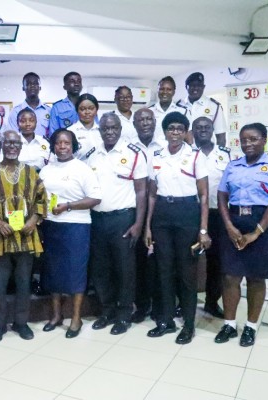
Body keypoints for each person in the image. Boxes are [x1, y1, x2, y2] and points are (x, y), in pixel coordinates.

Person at [215, 123, 268, 347]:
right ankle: (229, 325)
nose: (248, 144)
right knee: (230, 276)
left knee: (256, 278)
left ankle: (250, 326)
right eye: (244, 140)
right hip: (234, 222)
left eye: (253, 139)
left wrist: (256, 232)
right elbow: (221, 195)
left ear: (264, 139)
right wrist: (228, 226)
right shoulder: (233, 166)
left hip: (264, 224)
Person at [144, 111, 211, 345]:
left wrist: (203, 229)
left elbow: (204, 195)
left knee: (186, 272)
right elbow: (152, 195)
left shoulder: (195, 156)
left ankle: (189, 325)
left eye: (180, 129)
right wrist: (148, 227)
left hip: (187, 214)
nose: (175, 132)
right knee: (163, 270)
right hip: (162, 214)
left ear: (185, 132)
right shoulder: (156, 156)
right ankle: (166, 320)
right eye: (171, 128)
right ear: (164, 131)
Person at [0, 130, 48, 343]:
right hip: (0, 238)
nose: (12, 146)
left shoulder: (31, 173)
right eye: (8, 142)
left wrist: (33, 220)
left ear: (21, 146)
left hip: (26, 237)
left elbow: (42, 199)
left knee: (24, 283)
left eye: (16, 143)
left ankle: (21, 322)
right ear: (1, 144)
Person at [85, 113, 147, 335]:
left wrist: (138, 223)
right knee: (101, 269)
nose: (110, 132)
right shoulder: (92, 155)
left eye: (114, 128)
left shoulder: (134, 154)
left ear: (120, 129)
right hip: (97, 219)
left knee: (124, 269)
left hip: (123, 219)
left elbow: (142, 191)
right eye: (105, 129)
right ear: (100, 131)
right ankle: (107, 311)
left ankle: (124, 314)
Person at [40, 129, 102, 337]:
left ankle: (76, 318)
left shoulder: (82, 169)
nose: (62, 147)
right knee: (53, 272)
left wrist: (68, 206)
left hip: (76, 226)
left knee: (76, 272)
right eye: (58, 143)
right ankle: (56, 315)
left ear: (73, 146)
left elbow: (95, 198)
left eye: (66, 143)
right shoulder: (46, 170)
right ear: (53, 146)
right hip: (51, 225)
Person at [193, 116, 230, 319]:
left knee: (216, 261)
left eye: (207, 127)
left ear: (212, 130)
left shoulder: (225, 154)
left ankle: (211, 302)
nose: (203, 130)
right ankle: (185, 301)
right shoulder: (186, 153)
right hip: (191, 213)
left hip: (217, 214)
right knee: (187, 260)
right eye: (198, 127)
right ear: (192, 131)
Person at [131, 107, 166, 323]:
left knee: (161, 260)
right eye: (140, 120)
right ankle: (141, 306)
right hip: (136, 211)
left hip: (160, 209)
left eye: (148, 119)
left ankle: (160, 305)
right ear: (134, 124)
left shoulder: (164, 146)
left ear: (154, 122)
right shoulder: (128, 148)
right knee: (138, 262)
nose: (145, 123)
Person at [177, 72, 227, 146]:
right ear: (186, 87)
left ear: (203, 87)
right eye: (192, 85)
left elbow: (221, 137)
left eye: (199, 85)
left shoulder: (214, 106)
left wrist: (218, 152)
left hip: (206, 150)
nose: (196, 88)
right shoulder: (178, 106)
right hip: (183, 150)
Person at [8, 73, 51, 138]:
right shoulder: (15, 111)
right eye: (28, 84)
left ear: (40, 87)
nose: (32, 86)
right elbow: (13, 136)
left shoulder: (49, 110)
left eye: (35, 84)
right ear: (23, 88)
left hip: (44, 144)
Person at [148, 76, 187, 141]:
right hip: (153, 147)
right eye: (162, 89)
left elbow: (188, 137)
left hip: (175, 147)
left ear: (174, 92)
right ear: (158, 91)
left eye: (169, 89)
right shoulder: (149, 111)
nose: (165, 92)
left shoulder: (183, 112)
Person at [68, 93, 100, 160]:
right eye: (82, 109)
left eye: (91, 108)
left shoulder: (102, 130)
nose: (87, 112)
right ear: (77, 110)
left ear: (96, 110)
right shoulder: (70, 132)